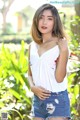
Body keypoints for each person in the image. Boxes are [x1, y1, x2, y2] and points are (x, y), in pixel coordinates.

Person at [28, 3, 71, 120]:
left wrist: (64, 51)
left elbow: (59, 78)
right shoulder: (32, 46)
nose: (44, 22)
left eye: (49, 19)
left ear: (55, 22)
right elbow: (30, 74)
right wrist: (32, 88)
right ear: (36, 20)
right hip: (38, 100)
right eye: (41, 17)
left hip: (57, 99)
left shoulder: (61, 45)